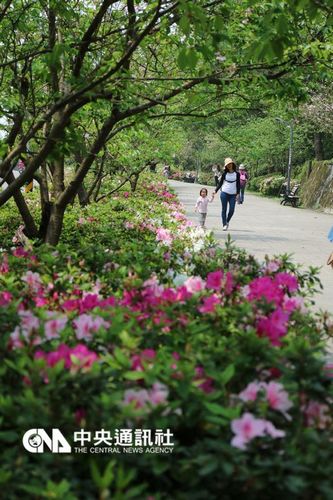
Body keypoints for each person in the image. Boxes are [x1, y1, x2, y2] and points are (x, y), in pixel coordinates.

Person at [214, 157, 240, 231]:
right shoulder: (224, 174)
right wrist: (215, 191)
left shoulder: (237, 174)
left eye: (230, 164)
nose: (229, 165)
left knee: (232, 210)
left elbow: (238, 184)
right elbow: (220, 183)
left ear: (232, 164)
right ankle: (224, 224)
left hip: (233, 194)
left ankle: (227, 221)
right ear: (226, 166)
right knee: (224, 209)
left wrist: (238, 194)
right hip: (224, 193)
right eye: (227, 164)